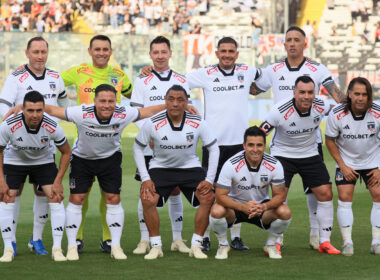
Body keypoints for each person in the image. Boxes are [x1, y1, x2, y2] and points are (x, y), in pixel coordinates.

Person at [23, 84, 172, 261]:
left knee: (113, 199)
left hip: (110, 159)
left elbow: (147, 112)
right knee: (77, 199)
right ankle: (72, 246)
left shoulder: (124, 113)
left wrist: (171, 105)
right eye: (102, 101)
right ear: (94, 101)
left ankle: (116, 246)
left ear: (116, 102)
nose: (107, 105)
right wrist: (20, 106)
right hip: (82, 159)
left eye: (111, 101)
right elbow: (55, 110)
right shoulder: (81, 112)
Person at [141, 36, 260, 251]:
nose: (226, 54)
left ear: (237, 54)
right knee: (210, 190)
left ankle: (236, 236)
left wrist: (254, 88)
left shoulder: (248, 70)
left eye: (231, 51)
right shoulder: (205, 73)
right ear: (216, 53)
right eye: (222, 51)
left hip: (240, 143)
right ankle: (205, 237)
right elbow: (174, 82)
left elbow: (263, 81)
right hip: (212, 142)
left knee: (239, 190)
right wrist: (150, 70)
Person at [251, 26, 345, 250]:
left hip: (310, 142)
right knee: (278, 196)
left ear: (305, 44)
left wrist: (353, 105)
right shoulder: (273, 69)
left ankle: (317, 238)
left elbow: (336, 95)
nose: (292, 43)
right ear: (284, 44)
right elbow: (253, 89)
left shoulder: (316, 68)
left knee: (317, 191)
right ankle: (276, 239)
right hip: (282, 143)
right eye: (288, 40)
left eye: (297, 40)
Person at [60, 34, 133, 253]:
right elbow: (50, 82)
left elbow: (135, 96)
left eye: (105, 49)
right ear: (90, 51)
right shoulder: (79, 71)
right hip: (84, 144)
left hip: (110, 144)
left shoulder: (120, 75)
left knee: (109, 195)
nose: (101, 53)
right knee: (80, 195)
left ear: (111, 51)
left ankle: (108, 239)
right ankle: (78, 238)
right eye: (97, 49)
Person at [133, 85, 219, 260]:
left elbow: (214, 148)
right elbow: (137, 147)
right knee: (147, 197)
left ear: (187, 102)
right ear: (165, 101)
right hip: (160, 168)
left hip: (190, 167)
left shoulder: (198, 122)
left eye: (180, 100)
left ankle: (196, 244)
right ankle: (156, 246)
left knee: (208, 197)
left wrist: (209, 180)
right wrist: (145, 178)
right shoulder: (153, 122)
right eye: (171, 99)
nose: (175, 103)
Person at [0, 36, 68, 256]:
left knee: (42, 194)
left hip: (45, 148)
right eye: (35, 52)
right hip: (16, 149)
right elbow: (4, 110)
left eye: (43, 52)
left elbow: (63, 106)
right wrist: (17, 126)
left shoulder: (56, 77)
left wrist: (53, 126)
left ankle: (36, 239)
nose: (40, 56)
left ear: (47, 53)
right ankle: (10, 243)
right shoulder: (15, 77)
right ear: (27, 53)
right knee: (13, 192)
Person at [260, 76, 340, 255]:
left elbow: (338, 110)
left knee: (326, 193)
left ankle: (324, 242)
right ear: (294, 93)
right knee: (279, 198)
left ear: (315, 93)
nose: (306, 96)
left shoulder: (321, 105)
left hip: (309, 154)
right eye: (302, 92)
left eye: (310, 92)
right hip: (282, 155)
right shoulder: (279, 111)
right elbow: (260, 131)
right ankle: (274, 241)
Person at [130, 36, 191, 255]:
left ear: (170, 53)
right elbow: (137, 114)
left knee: (175, 190)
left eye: (163, 52)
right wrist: (152, 135)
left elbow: (188, 111)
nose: (160, 56)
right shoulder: (141, 80)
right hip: (150, 146)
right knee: (146, 191)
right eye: (155, 52)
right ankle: (144, 240)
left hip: (177, 146)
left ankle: (177, 239)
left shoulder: (182, 79)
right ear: (150, 54)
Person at [210, 126, 291, 260]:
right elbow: (220, 196)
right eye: (251, 145)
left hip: (261, 208)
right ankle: (223, 245)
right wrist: (242, 207)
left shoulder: (275, 164)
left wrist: (264, 207)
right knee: (216, 210)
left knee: (285, 212)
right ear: (244, 146)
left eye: (259, 145)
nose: (255, 149)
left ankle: (270, 245)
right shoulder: (231, 164)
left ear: (265, 145)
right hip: (235, 207)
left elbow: (280, 195)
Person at [325, 77, 380, 256]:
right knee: (344, 196)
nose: (360, 98)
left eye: (365, 94)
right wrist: (342, 165)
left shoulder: (378, 112)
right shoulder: (337, 114)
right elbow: (329, 140)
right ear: (349, 94)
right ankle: (347, 242)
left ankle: (377, 242)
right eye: (356, 94)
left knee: (379, 195)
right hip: (347, 161)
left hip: (373, 160)